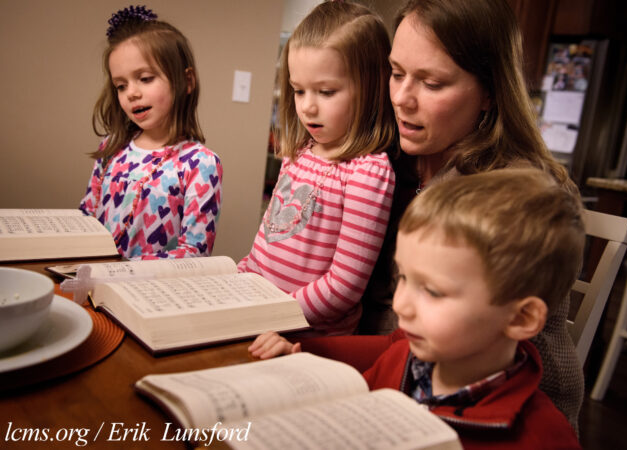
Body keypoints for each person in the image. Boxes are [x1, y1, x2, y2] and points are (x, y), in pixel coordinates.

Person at [353, 0, 584, 431]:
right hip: (393, 373)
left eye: (433, 83)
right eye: (397, 73)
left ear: (490, 92)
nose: (402, 99)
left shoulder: (515, 192)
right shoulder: (389, 162)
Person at [249, 168, 584, 449]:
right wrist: (302, 353)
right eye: (405, 278)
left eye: (434, 292)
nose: (401, 305)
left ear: (521, 318)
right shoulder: (402, 360)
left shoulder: (544, 437)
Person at [237, 1, 396, 336]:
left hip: (307, 336)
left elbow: (343, 286)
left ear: (371, 88)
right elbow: (269, 234)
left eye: (326, 91)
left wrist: (277, 314)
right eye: (299, 90)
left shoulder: (368, 173)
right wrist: (242, 274)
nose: (307, 106)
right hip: (259, 314)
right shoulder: (299, 152)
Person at [79, 6, 222, 260]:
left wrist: (125, 270)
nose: (132, 93)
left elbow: (193, 252)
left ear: (186, 81)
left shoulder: (201, 163)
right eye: (121, 86)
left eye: (145, 78)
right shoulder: (110, 147)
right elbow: (87, 214)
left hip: (150, 294)